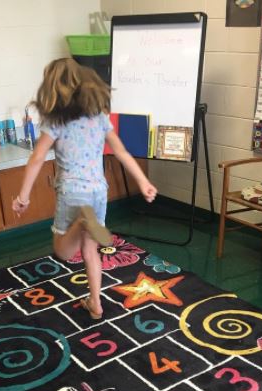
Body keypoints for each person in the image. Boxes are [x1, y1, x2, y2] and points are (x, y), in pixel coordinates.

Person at [12, 58, 157, 319]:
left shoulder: (54, 122)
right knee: (90, 250)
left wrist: (23, 196)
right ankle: (96, 303)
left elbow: (36, 159)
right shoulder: (98, 118)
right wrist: (143, 181)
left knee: (63, 250)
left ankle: (81, 224)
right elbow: (121, 151)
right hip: (98, 190)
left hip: (72, 190)